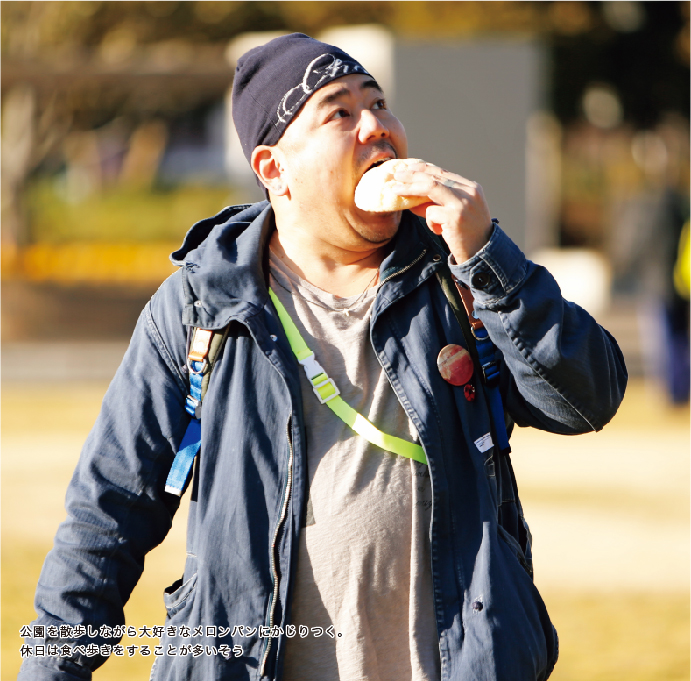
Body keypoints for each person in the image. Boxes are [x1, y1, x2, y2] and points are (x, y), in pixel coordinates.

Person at [19, 33, 627, 681]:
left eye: (379, 103)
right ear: (274, 168)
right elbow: (108, 511)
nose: (377, 126)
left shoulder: (457, 276)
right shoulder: (202, 304)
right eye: (339, 112)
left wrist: (488, 259)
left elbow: (585, 400)